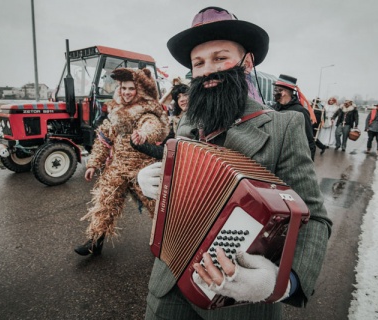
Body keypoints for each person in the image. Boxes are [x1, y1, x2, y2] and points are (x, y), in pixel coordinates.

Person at [136, 7, 332, 319]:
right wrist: (155, 185)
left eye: (220, 57)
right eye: (198, 63)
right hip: (167, 286)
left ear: (247, 62)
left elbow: (315, 218)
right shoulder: (188, 120)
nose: (208, 70)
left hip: (238, 302)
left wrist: (283, 283)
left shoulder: (284, 127)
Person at [74, 68, 169, 256]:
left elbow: (154, 127)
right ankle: (95, 240)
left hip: (142, 170)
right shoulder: (116, 112)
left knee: (158, 206)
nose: (126, 92)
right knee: (105, 202)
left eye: (131, 88)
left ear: (140, 90)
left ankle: (170, 241)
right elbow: (104, 139)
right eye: (123, 88)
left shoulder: (147, 111)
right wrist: (93, 164)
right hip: (117, 168)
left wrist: (143, 134)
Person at [131, 83, 189, 160]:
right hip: (180, 163)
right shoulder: (176, 123)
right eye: (178, 97)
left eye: (185, 95)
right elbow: (164, 150)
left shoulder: (202, 117)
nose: (182, 99)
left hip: (193, 162)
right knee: (145, 172)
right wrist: (138, 143)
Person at [272, 75, 317, 160]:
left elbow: (309, 141)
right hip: (273, 157)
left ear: (284, 92)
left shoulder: (300, 111)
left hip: (291, 158)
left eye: (276, 89)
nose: (274, 92)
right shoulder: (272, 108)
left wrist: (308, 166)